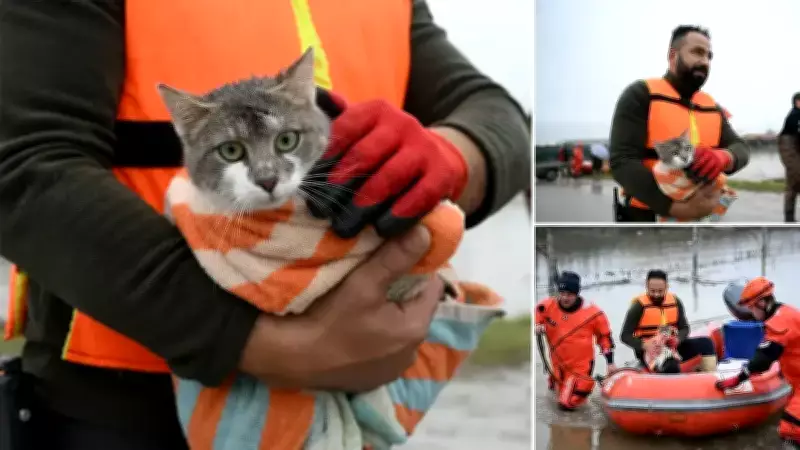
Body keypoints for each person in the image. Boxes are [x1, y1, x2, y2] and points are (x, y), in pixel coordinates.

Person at [0, 1, 531, 448]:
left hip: (355, 405)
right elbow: (21, 163)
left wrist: (452, 158)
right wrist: (257, 341)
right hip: (121, 411)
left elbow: (499, 116)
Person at [609, 25, 750, 222]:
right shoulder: (641, 94)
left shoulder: (712, 106)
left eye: (709, 56)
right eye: (697, 52)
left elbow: (741, 148)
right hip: (647, 216)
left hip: (704, 215)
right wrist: (675, 208)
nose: (705, 62)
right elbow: (622, 161)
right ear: (672, 55)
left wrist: (723, 157)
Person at [715, 277, 800, 448]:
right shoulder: (787, 311)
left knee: (790, 430)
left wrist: (738, 378)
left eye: (751, 308)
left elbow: (763, 359)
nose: (751, 314)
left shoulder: (779, 323)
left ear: (761, 303)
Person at [535, 271, 616, 411]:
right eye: (562, 293)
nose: (565, 298)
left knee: (567, 404)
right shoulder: (546, 307)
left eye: (570, 294)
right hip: (557, 364)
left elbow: (604, 338)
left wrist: (610, 362)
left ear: (577, 293)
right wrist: (537, 326)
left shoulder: (593, 313)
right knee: (554, 397)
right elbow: (537, 317)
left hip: (581, 367)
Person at [619, 270, 717, 373]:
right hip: (649, 349)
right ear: (646, 287)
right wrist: (645, 345)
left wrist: (678, 339)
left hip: (671, 345)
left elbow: (684, 328)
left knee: (707, 343)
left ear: (667, 286)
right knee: (671, 366)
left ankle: (709, 379)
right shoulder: (638, 306)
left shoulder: (675, 302)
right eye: (652, 291)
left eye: (660, 291)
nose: (656, 294)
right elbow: (625, 336)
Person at [778, 93, 800, 222]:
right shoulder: (794, 116)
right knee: (794, 183)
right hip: (790, 150)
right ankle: (789, 219)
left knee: (792, 187)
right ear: (797, 102)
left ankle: (789, 218)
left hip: (795, 150)